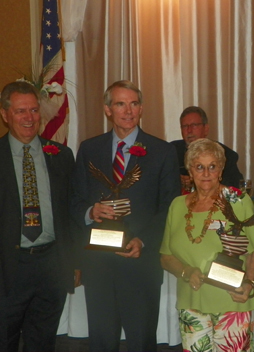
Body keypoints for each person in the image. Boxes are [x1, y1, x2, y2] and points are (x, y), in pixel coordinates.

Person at [71, 80, 180, 351]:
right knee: (101, 341)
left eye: (133, 104)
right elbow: (73, 200)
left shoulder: (162, 151)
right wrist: (89, 211)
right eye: (120, 103)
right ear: (108, 109)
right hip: (99, 266)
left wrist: (143, 241)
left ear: (141, 108)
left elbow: (170, 207)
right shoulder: (88, 149)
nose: (128, 111)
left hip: (140, 265)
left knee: (142, 342)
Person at [160, 138, 254, 352]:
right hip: (192, 304)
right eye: (199, 167)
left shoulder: (237, 200)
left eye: (212, 167)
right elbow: (166, 257)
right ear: (190, 171)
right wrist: (186, 271)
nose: (206, 173)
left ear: (221, 169)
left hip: (232, 301)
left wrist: (250, 283)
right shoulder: (177, 205)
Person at [0, 81, 76, 351]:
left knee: (43, 342)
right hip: (8, 268)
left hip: (51, 266)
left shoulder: (62, 156)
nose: (29, 118)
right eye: (21, 111)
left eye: (33, 110)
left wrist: (73, 262)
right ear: (5, 114)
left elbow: (72, 213)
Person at [171, 106, 243, 190]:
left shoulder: (225, 154)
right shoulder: (171, 151)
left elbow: (234, 189)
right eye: (185, 126)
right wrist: (176, 180)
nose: (189, 130)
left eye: (194, 125)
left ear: (206, 129)